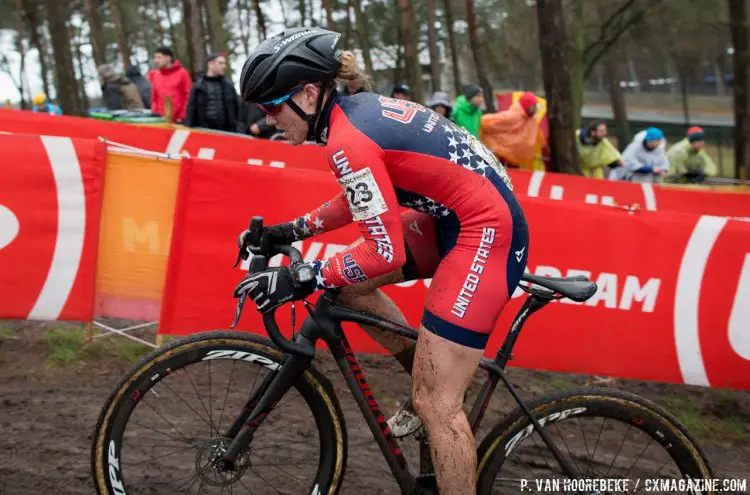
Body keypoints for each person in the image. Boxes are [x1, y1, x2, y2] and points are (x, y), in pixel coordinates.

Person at [235, 28, 529, 495]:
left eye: (273, 107)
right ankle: (424, 369)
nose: (271, 120)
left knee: (437, 405)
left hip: (485, 232)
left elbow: (382, 251)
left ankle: (435, 393)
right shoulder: (350, 117)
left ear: (309, 94)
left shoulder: (346, 137)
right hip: (458, 216)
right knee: (348, 287)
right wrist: (292, 231)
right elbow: (361, 199)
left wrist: (304, 274)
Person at [479, 91, 544, 170]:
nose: (536, 108)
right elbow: (485, 122)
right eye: (534, 105)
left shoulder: (531, 120)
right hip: (502, 159)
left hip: (515, 160)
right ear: (528, 105)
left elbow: (539, 137)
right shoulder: (512, 116)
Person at [185, 53, 239, 131]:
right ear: (210, 64)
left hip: (227, 132)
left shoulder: (229, 85)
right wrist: (188, 129)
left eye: (224, 63)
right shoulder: (198, 86)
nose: (224, 66)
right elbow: (191, 109)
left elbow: (236, 109)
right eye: (220, 63)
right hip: (204, 132)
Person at [150, 46, 192, 122]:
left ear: (168, 58)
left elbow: (188, 96)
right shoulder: (156, 75)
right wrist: (154, 115)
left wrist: (182, 116)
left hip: (179, 120)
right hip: (160, 120)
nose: (156, 60)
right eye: (155, 58)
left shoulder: (182, 73)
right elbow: (154, 98)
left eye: (159, 57)